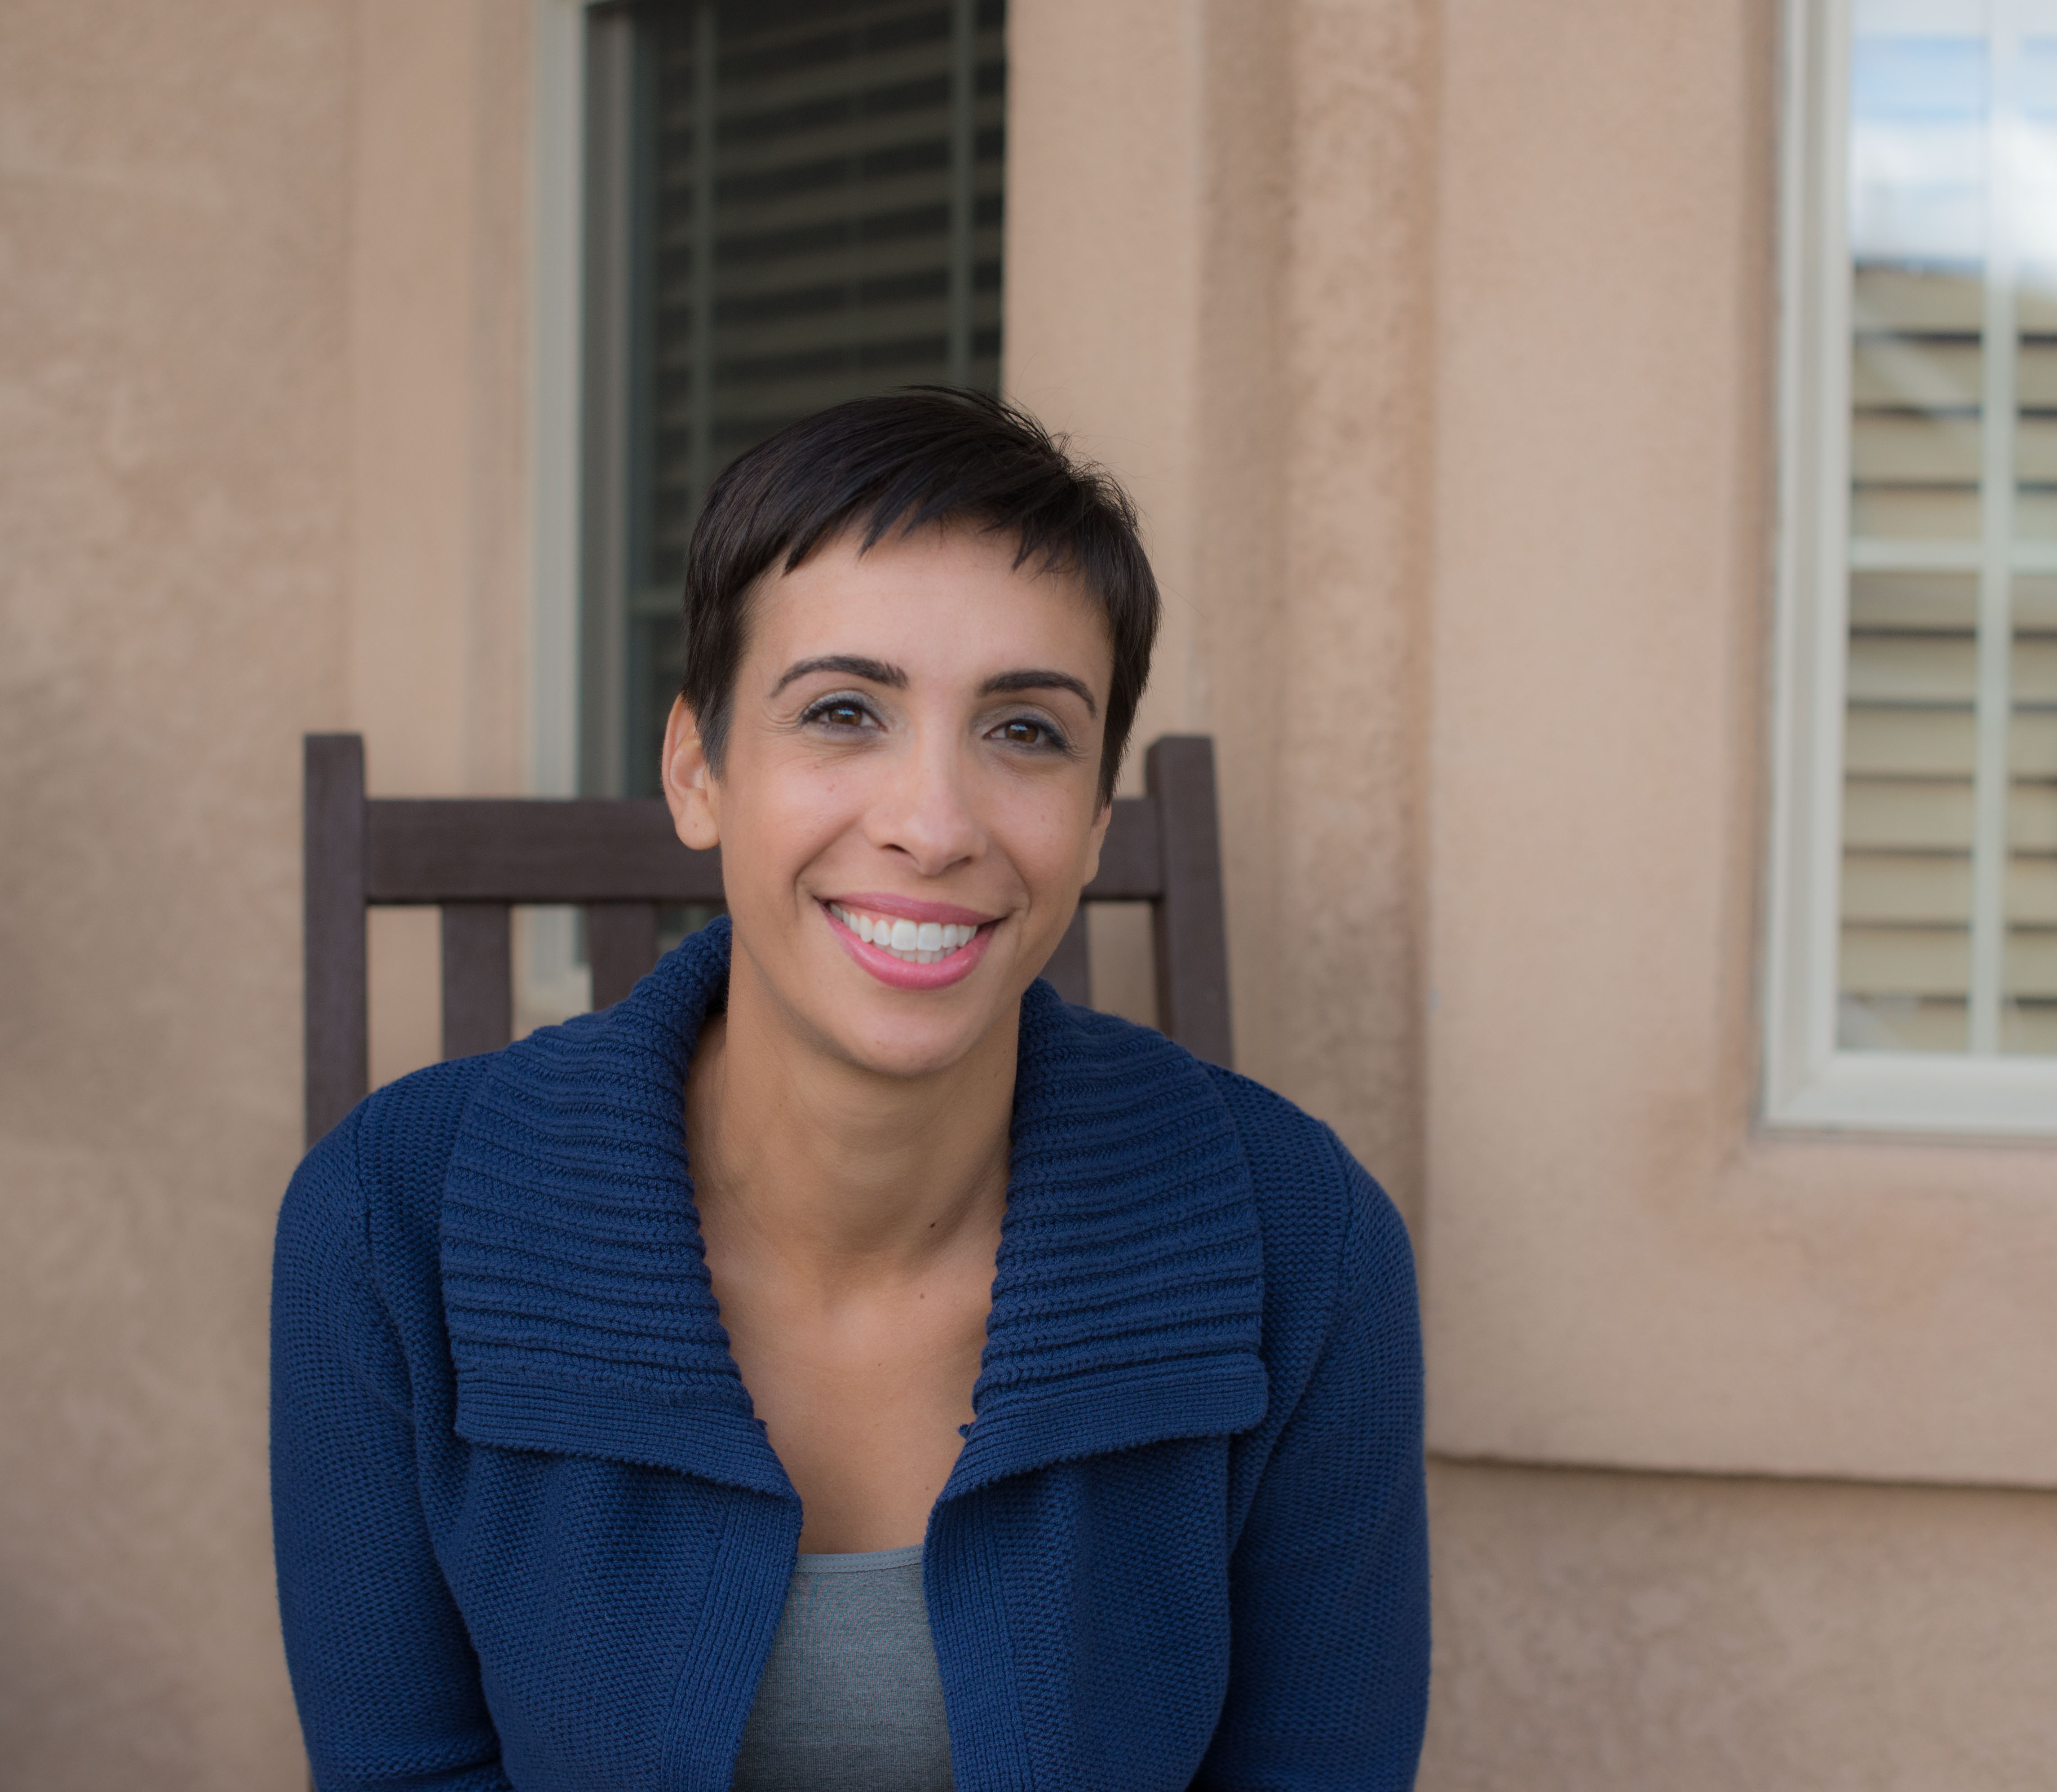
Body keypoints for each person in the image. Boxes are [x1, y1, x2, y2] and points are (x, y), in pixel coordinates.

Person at [270, 389, 1429, 1791]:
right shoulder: (391, 1222)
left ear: (1094, 826)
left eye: (1024, 733)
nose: (930, 824)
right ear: (699, 771)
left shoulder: (1304, 1242)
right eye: (841, 712)